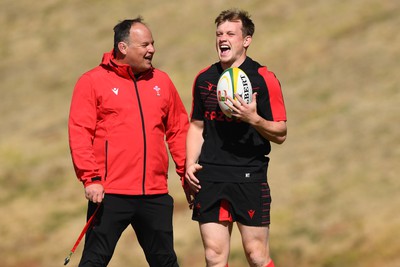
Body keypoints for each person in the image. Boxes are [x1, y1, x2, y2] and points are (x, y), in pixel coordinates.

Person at [68, 17, 189, 267]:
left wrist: (186, 173)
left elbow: (178, 130)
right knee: (94, 261)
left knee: (166, 262)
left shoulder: (162, 82)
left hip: (155, 193)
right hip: (110, 193)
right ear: (123, 48)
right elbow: (80, 132)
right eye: (144, 45)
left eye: (152, 43)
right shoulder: (92, 82)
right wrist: (90, 179)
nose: (152, 49)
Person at [184, 9, 287, 267]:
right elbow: (196, 127)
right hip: (211, 176)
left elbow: (281, 133)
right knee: (213, 255)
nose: (222, 38)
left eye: (230, 33)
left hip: (249, 175)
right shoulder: (204, 78)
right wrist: (189, 165)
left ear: (246, 39)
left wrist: (254, 119)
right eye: (219, 33)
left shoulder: (264, 79)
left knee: (256, 254)